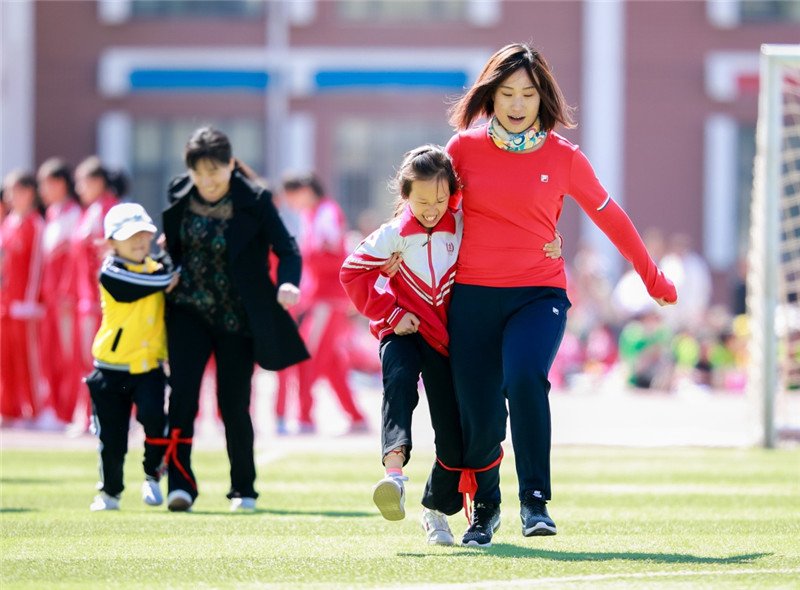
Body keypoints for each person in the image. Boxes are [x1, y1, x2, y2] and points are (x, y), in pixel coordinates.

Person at [444, 43, 677, 547]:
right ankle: (484, 510)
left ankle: (535, 501)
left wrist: (651, 276)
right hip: (473, 296)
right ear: (491, 94)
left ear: (542, 96)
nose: (516, 102)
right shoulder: (461, 149)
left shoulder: (564, 157)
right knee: (479, 409)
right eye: (506, 92)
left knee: (525, 377)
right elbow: (429, 209)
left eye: (527, 92)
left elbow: (611, 216)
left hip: (538, 293)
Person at [340, 145, 562, 545]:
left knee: (457, 438)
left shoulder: (463, 224)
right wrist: (389, 314)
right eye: (422, 200)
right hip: (403, 332)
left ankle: (439, 508)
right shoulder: (392, 235)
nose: (432, 208)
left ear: (453, 195)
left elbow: (506, 234)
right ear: (405, 195)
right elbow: (351, 272)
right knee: (400, 380)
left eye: (441, 199)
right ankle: (394, 474)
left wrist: (549, 241)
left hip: (447, 342)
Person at [162, 126, 309, 512]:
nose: (207, 181)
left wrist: (288, 283)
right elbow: (170, 249)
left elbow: (288, 249)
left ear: (230, 164)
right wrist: (168, 268)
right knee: (181, 398)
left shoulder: (255, 199)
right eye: (199, 173)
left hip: (237, 317)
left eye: (215, 172)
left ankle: (243, 488)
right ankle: (180, 484)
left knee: (233, 403)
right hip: (187, 311)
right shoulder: (179, 193)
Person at [85, 203, 179, 511]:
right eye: (130, 237)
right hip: (110, 370)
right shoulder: (112, 272)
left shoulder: (156, 269)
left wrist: (167, 264)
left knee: (155, 420)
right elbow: (146, 286)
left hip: (148, 368)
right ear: (111, 242)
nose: (140, 242)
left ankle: (152, 476)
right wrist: (168, 271)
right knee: (112, 438)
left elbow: (167, 277)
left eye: (144, 235)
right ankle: (110, 493)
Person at [281, 172, 367, 434]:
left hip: (328, 300)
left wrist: (307, 261)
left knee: (309, 357)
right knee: (331, 363)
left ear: (305, 189)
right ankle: (356, 418)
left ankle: (306, 416)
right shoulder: (312, 215)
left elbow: (336, 257)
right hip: (319, 298)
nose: (290, 203)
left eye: (292, 196)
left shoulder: (327, 213)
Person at [65, 156, 120, 431]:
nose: (78, 188)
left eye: (82, 182)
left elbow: (111, 256)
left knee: (100, 360)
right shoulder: (91, 210)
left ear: (98, 182)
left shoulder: (109, 210)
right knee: (88, 359)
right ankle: (91, 414)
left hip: (100, 301)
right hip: (85, 299)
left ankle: (100, 415)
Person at [36, 158, 83, 430]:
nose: (43, 190)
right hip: (49, 300)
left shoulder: (74, 214)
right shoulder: (52, 214)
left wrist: (67, 293)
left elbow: (73, 263)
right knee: (50, 355)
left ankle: (68, 412)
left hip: (67, 301)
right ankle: (54, 410)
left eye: (47, 184)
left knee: (69, 357)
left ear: (60, 184)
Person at [0, 171, 44, 426]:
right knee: (5, 360)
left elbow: (36, 265)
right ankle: (9, 409)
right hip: (6, 305)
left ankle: (34, 411)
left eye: (15, 191)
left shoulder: (34, 224)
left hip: (24, 307)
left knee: (27, 360)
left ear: (29, 192)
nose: (10, 197)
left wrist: (29, 301)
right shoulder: (8, 224)